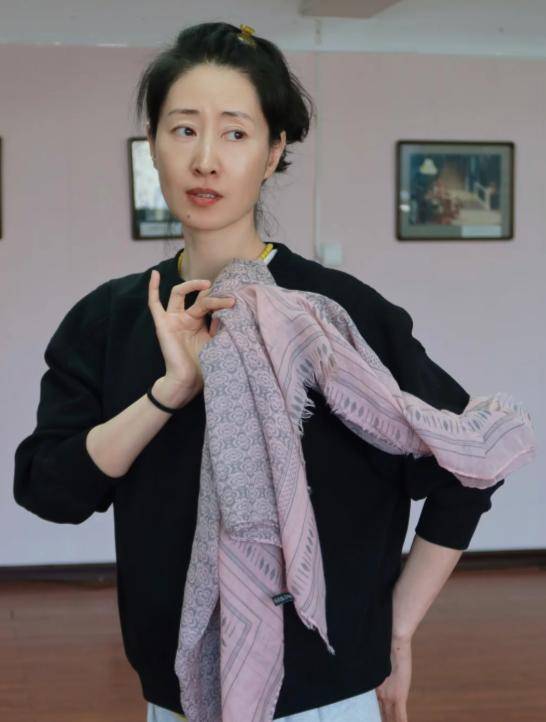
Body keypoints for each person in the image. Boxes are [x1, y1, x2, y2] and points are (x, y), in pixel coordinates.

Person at [13, 22, 505, 722]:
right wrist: (168, 394)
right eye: (184, 129)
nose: (206, 159)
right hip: (178, 694)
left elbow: (471, 462)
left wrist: (396, 628)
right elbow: (50, 488)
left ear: (274, 151)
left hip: (329, 694)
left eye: (236, 133)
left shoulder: (339, 315)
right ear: (153, 143)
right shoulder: (111, 318)